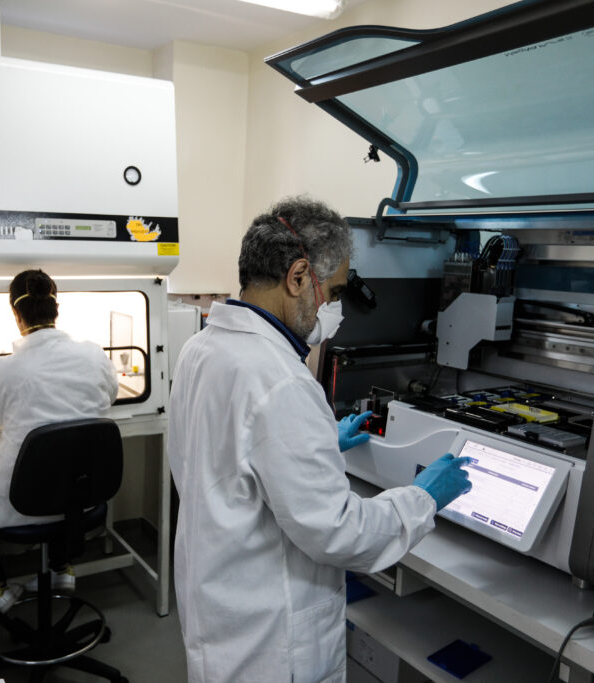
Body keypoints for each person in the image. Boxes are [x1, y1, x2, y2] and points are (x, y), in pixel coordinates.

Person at [168, 196, 473, 682]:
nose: (332, 311)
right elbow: (340, 533)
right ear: (297, 277)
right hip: (272, 642)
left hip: (221, 606)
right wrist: (423, 498)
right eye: (331, 294)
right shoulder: (282, 381)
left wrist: (322, 439)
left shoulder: (201, 348)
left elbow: (229, 457)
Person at [0, 268, 119, 612]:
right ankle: (61, 568)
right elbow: (111, 395)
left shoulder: (3, 369)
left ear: (16, 314)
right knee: (66, 474)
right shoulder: (93, 354)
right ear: (57, 308)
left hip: (24, 498)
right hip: (85, 494)